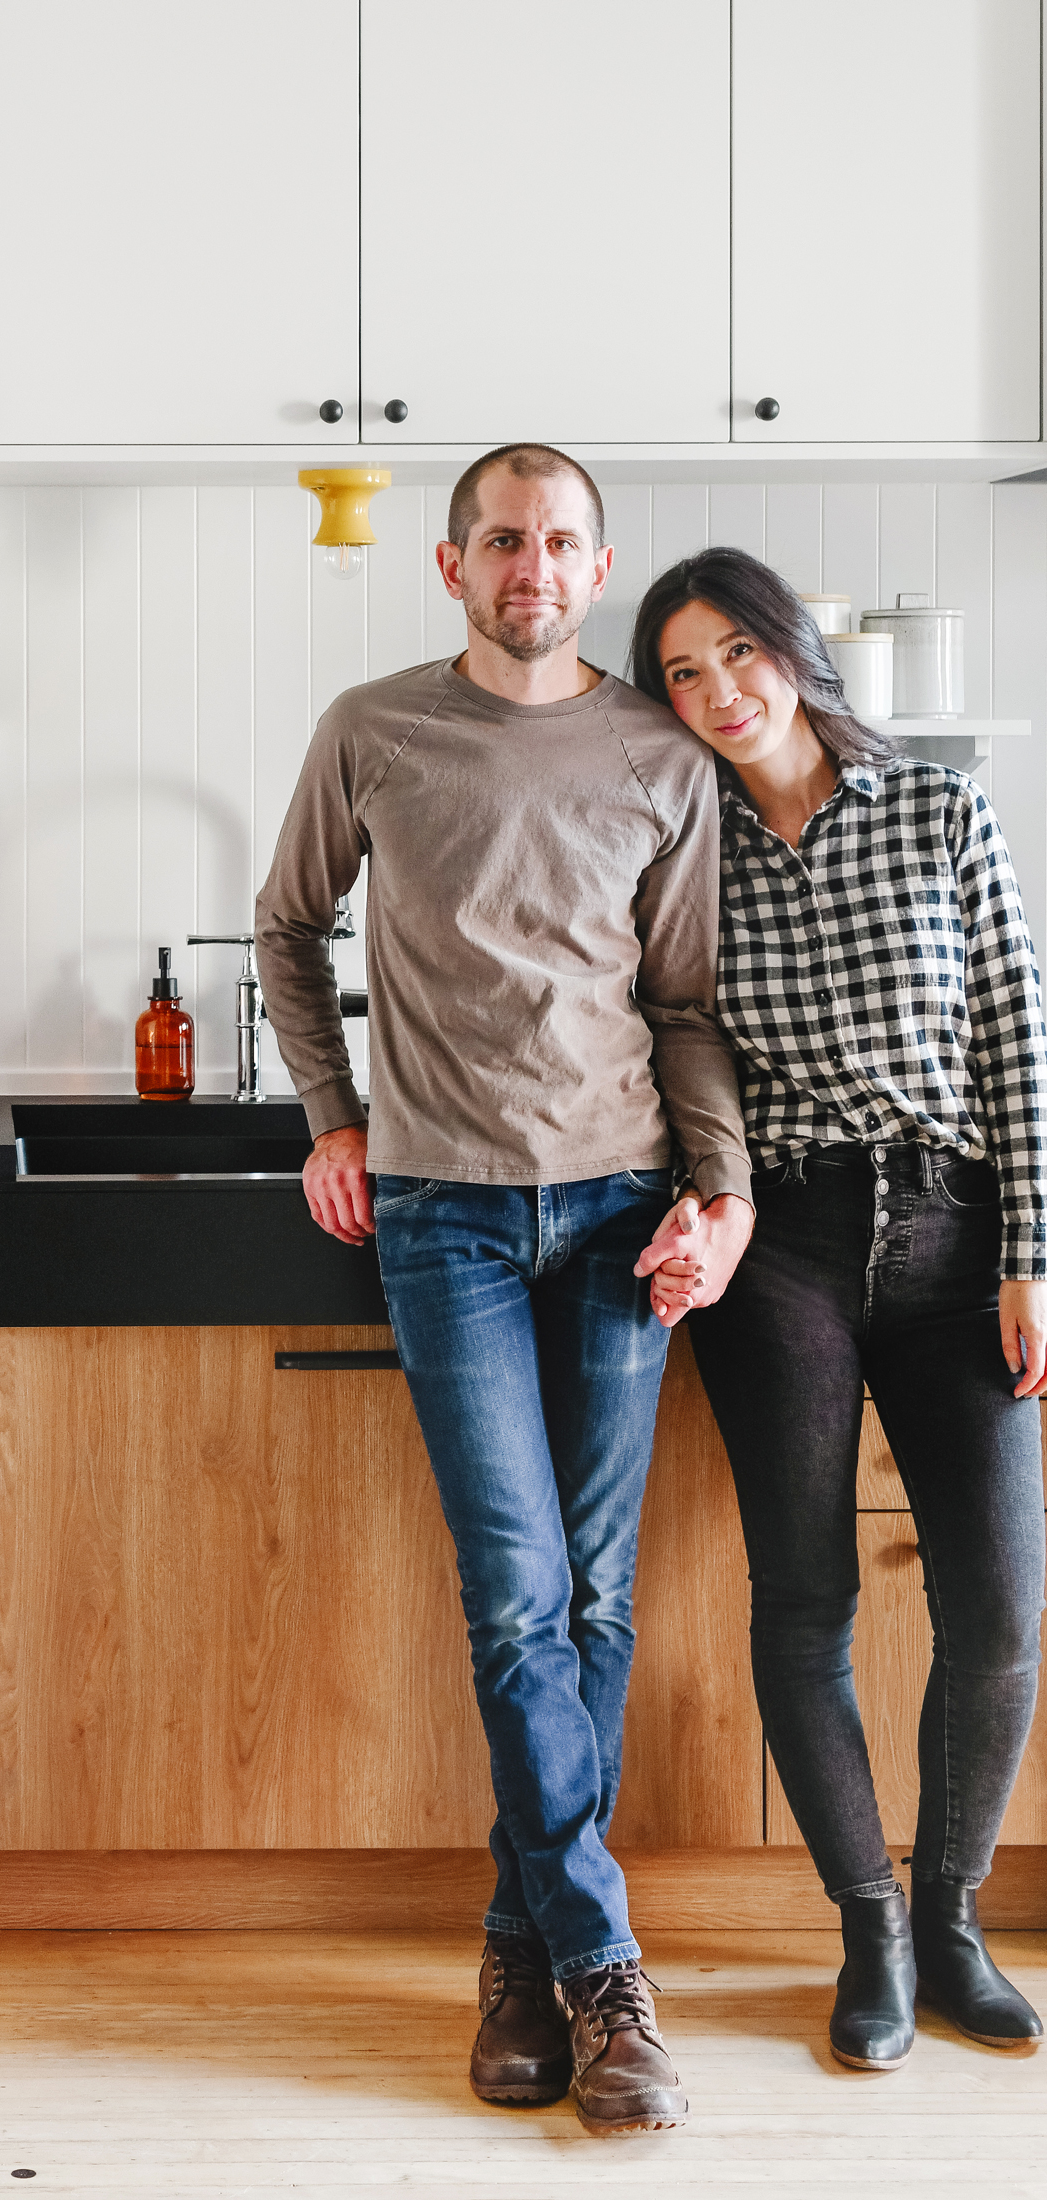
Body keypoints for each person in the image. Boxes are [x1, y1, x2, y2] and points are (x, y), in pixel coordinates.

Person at [255, 443, 753, 2135]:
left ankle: (517, 1953)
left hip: (621, 1214)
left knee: (595, 1599)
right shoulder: (372, 730)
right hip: (444, 1218)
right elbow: (283, 928)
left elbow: (684, 1003)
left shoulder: (658, 752)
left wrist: (719, 1188)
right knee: (517, 1593)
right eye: (499, 543)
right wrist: (333, 1116)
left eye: (558, 543)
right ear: (452, 568)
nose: (529, 567)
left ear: (596, 568)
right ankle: (610, 1970)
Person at [628, 546, 1047, 2072]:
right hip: (782, 1240)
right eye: (682, 672)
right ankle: (866, 1928)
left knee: (1002, 1610)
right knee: (806, 1606)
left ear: (795, 651)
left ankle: (952, 1919)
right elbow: (683, 1054)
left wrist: (1031, 1256)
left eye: (735, 652)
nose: (718, 691)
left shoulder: (940, 810)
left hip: (954, 1230)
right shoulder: (686, 856)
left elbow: (1017, 1031)